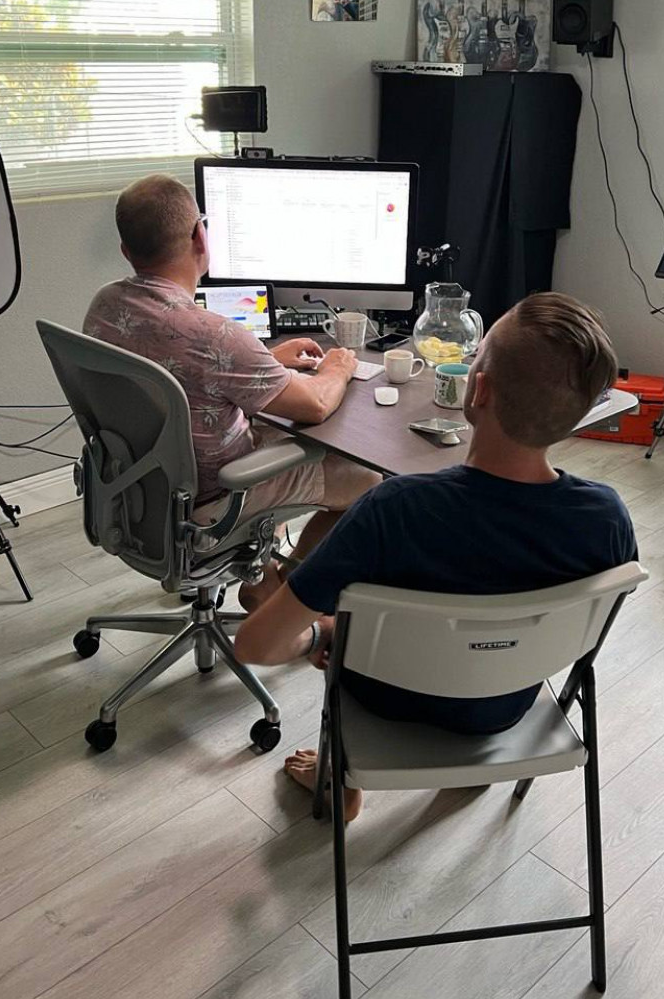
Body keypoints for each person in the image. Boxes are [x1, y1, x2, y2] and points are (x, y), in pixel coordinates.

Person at [234, 291, 637, 820]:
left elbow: (256, 645)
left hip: (387, 702)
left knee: (337, 628)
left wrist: (323, 632)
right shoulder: (608, 518)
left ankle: (341, 775)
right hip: (503, 709)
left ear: (479, 389)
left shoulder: (394, 508)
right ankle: (470, 767)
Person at [84, 174, 380, 603]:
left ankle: (263, 573)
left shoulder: (105, 305)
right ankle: (278, 593)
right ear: (200, 237)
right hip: (214, 502)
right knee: (370, 482)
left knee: (281, 432)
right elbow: (316, 404)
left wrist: (266, 360)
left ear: (125, 251)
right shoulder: (214, 335)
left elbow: (180, 375)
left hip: (137, 494)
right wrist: (339, 366)